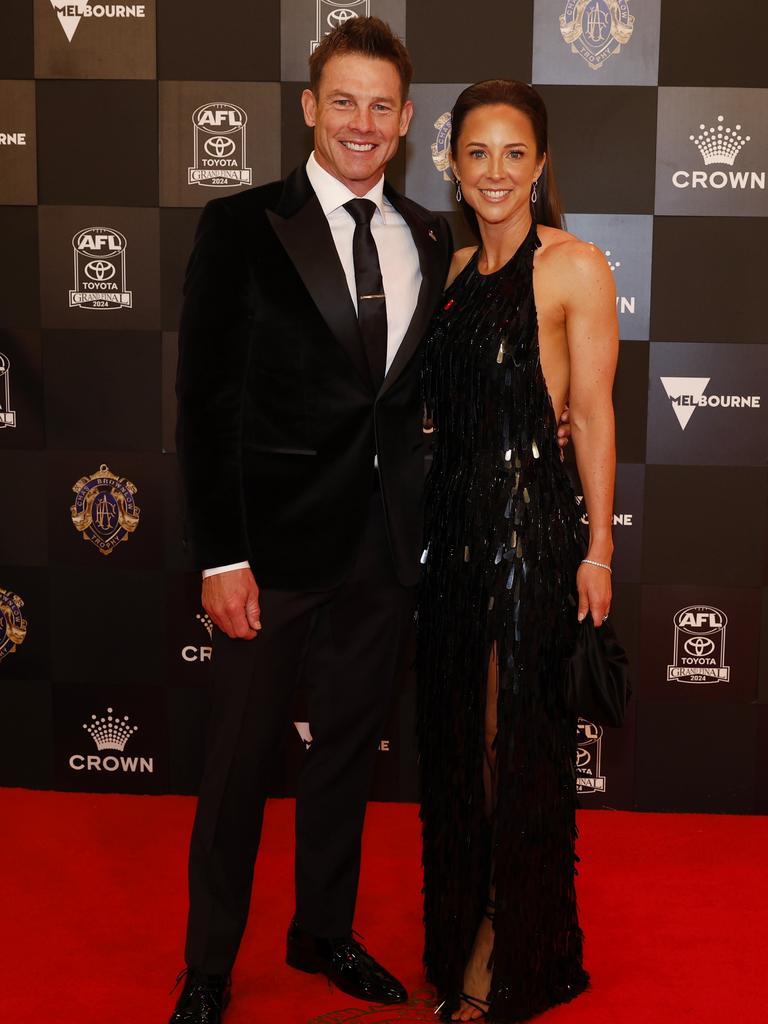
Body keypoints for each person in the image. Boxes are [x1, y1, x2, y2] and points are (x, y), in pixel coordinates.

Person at [171, 18, 454, 1023]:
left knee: (345, 756)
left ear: (408, 119)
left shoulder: (430, 233)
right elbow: (205, 404)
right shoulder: (242, 226)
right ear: (308, 107)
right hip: (272, 553)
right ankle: (208, 964)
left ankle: (321, 933)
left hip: (383, 551)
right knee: (239, 765)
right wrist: (224, 555)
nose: (362, 123)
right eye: (344, 101)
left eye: (382, 105)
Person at [417, 81, 618, 1023]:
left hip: (524, 538)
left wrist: (597, 550)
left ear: (541, 167)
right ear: (452, 164)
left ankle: (510, 938)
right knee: (457, 740)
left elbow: (596, 416)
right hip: (451, 537)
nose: (494, 171)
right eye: (477, 153)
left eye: (513, 154)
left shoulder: (573, 267)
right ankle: (462, 919)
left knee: (510, 742)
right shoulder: (449, 273)